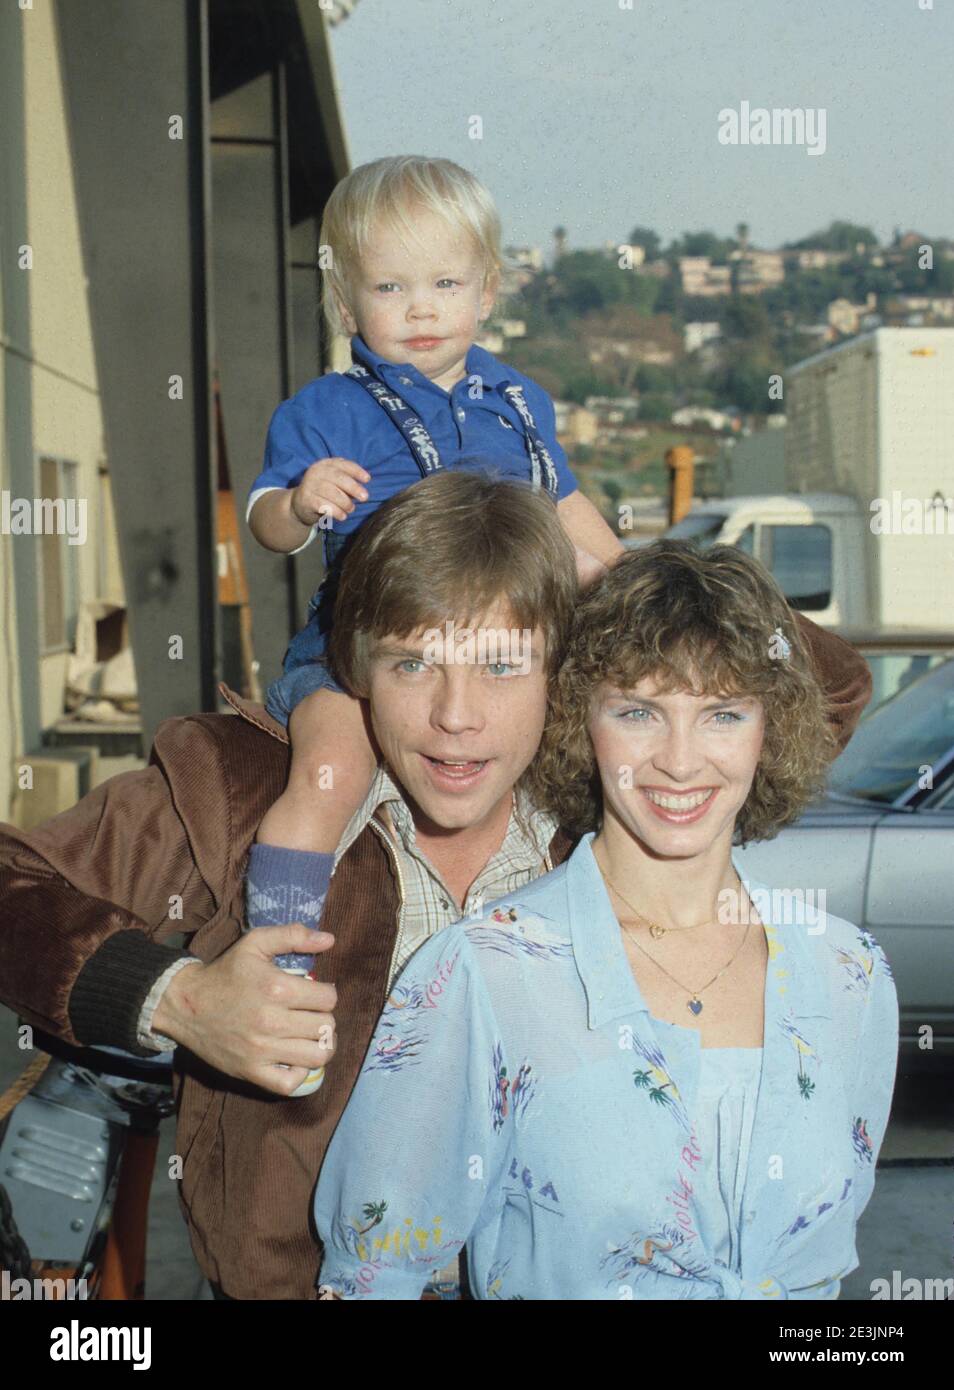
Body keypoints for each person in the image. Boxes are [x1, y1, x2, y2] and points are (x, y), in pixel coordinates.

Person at [0, 474, 871, 1300]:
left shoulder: (604, 794)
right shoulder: (241, 792)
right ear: (351, 670)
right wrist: (179, 1000)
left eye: (501, 664)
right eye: (412, 664)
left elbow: (829, 688)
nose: (457, 716)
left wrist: (615, 569)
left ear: (566, 672)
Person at [313, 539, 898, 1300]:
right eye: (638, 712)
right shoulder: (486, 975)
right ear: (579, 722)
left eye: (722, 713)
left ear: (768, 729)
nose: (680, 762)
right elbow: (371, 1277)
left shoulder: (848, 977)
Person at [242, 156, 621, 1035]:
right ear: (346, 306)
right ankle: (279, 971)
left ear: (486, 292)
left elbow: (569, 512)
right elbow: (265, 522)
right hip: (359, 651)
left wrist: (637, 583)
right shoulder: (326, 409)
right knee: (330, 772)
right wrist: (297, 505)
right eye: (389, 286)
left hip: (505, 650)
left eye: (444, 282)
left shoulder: (519, 403)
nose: (419, 308)